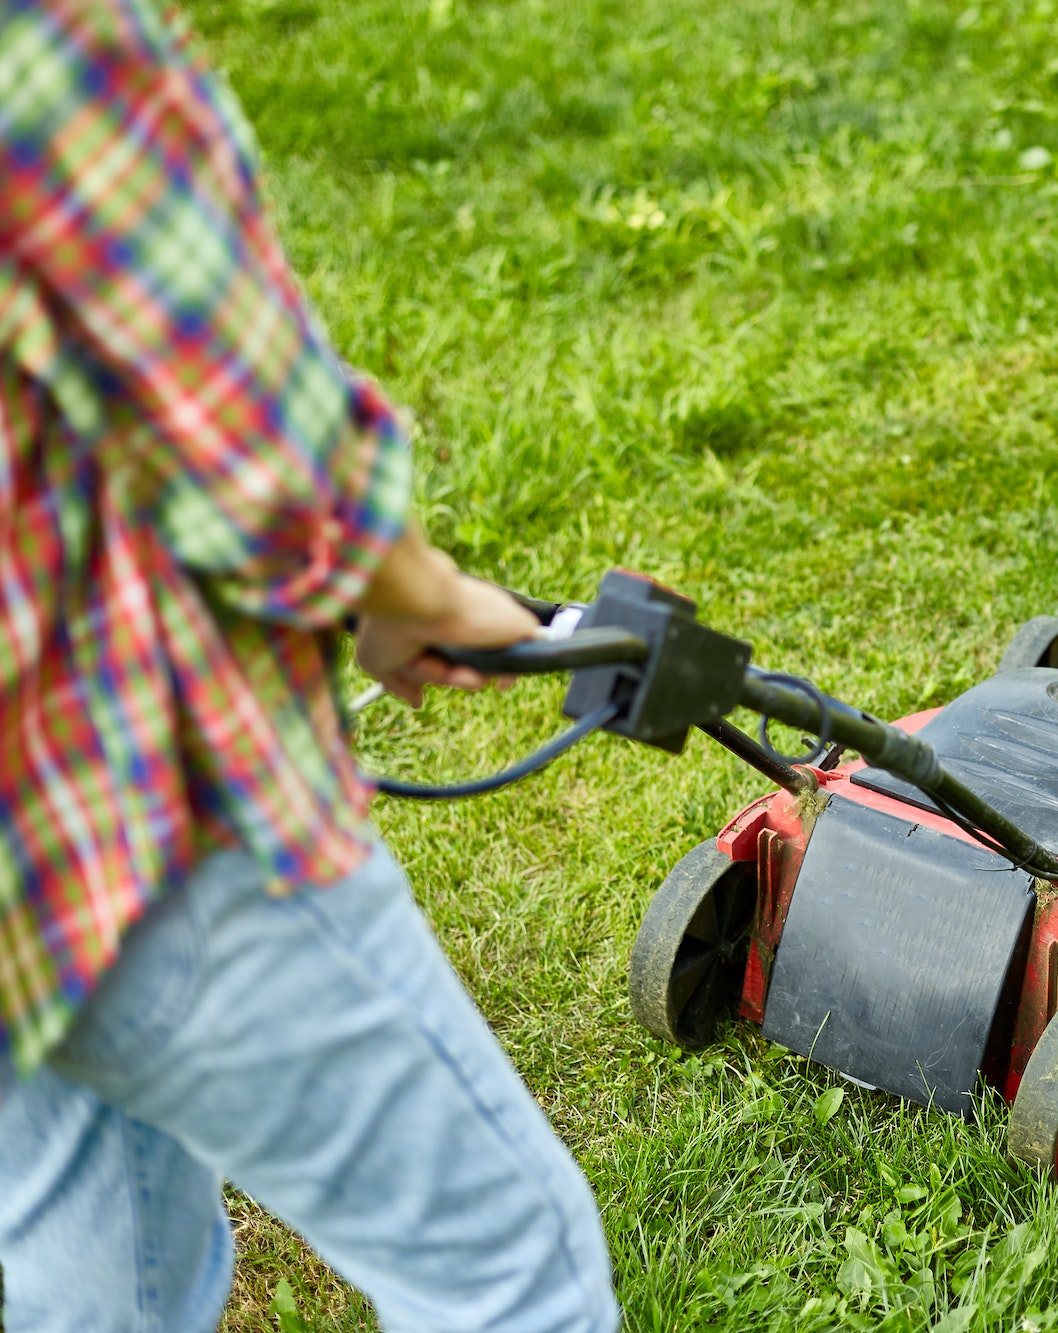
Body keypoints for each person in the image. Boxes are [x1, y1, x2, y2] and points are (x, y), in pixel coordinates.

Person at [0, 0, 619, 1327]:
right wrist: (415, 593)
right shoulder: (48, 51)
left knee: (107, 1288)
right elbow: (270, 463)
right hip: (134, 814)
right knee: (514, 1268)